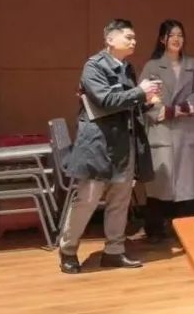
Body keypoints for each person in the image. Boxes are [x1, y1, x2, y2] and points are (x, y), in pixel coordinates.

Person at [59, 19, 159, 274]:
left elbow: (126, 104)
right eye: (128, 37)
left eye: (134, 37)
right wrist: (139, 92)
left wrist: (146, 100)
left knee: (120, 200)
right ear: (110, 40)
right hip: (98, 144)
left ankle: (114, 251)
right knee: (87, 200)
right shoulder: (93, 66)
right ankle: (68, 249)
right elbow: (105, 100)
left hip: (124, 144)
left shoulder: (127, 68)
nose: (134, 41)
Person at [139, 19, 194, 243]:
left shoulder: (193, 65)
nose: (177, 39)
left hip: (186, 130)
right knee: (160, 181)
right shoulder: (152, 66)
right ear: (163, 39)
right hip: (161, 130)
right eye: (172, 35)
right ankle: (155, 229)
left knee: (186, 183)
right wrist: (162, 111)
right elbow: (144, 97)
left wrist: (181, 108)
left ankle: (186, 229)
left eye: (180, 35)